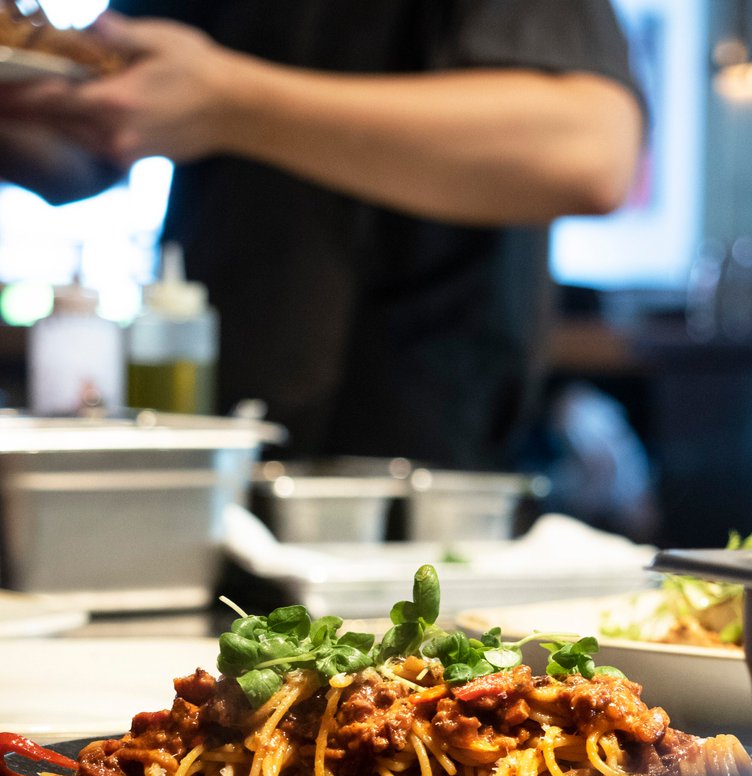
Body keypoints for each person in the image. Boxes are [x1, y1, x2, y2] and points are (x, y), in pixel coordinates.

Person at [0, 2, 644, 467]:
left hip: (420, 452)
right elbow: (99, 143)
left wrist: (233, 103)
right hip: (225, 437)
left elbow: (589, 150)